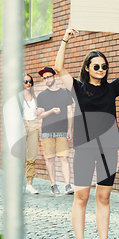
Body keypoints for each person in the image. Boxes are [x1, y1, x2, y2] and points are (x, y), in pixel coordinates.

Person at [53, 25, 119, 239]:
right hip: (84, 149)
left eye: (104, 66)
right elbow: (59, 68)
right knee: (81, 198)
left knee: (104, 198)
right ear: (87, 68)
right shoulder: (78, 89)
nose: (101, 69)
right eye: (97, 66)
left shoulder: (112, 89)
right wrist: (65, 40)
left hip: (109, 149)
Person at [36, 67, 75, 196]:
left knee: (64, 158)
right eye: (44, 78)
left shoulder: (65, 93)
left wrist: (70, 129)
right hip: (47, 131)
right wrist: (52, 111)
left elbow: (70, 112)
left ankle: (68, 185)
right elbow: (40, 115)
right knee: (50, 159)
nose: (47, 80)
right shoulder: (41, 96)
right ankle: (53, 185)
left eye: (49, 77)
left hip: (62, 131)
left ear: (55, 77)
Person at [22, 74, 41, 194]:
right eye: (25, 81)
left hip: (33, 125)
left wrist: (39, 110)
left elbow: (39, 110)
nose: (28, 83)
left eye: (30, 81)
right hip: (22, 124)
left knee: (32, 156)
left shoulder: (35, 96)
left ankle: (29, 184)